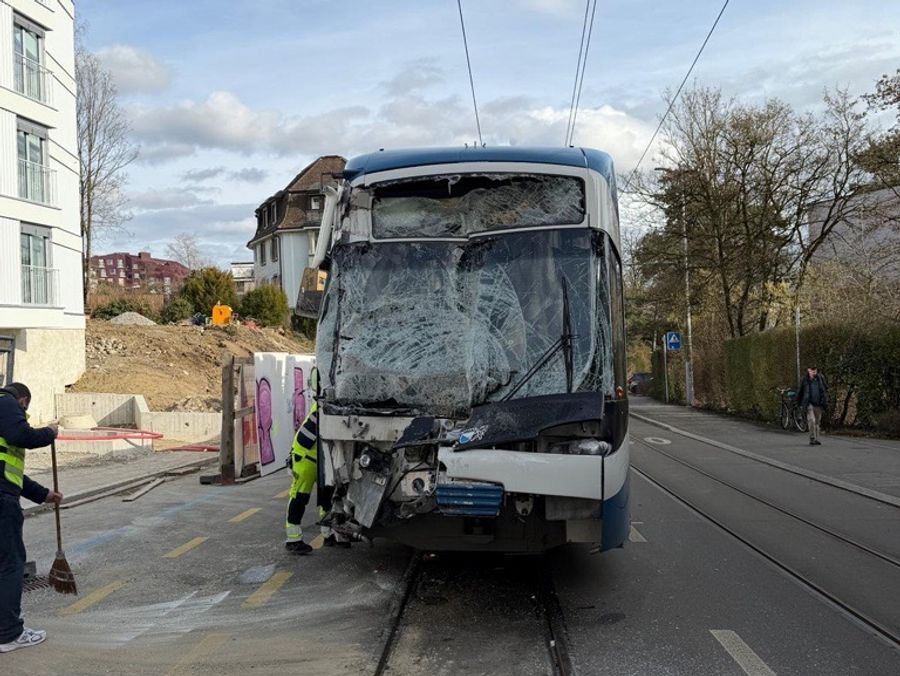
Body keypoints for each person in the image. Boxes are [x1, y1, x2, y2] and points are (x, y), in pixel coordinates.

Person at [0, 383, 61, 653]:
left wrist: (43, 494)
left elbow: (10, 474)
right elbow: (20, 433)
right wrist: (49, 433)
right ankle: (9, 635)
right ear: (23, 400)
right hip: (2, 503)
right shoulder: (6, 402)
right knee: (11, 565)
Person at [797, 366, 828, 446]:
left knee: (817, 422)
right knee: (812, 420)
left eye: (815, 370)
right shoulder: (805, 380)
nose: (814, 372)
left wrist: (824, 400)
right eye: (812, 370)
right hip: (809, 403)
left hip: (818, 403)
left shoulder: (820, 379)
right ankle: (812, 438)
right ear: (808, 370)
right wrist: (799, 402)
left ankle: (817, 439)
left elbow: (824, 389)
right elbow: (801, 391)